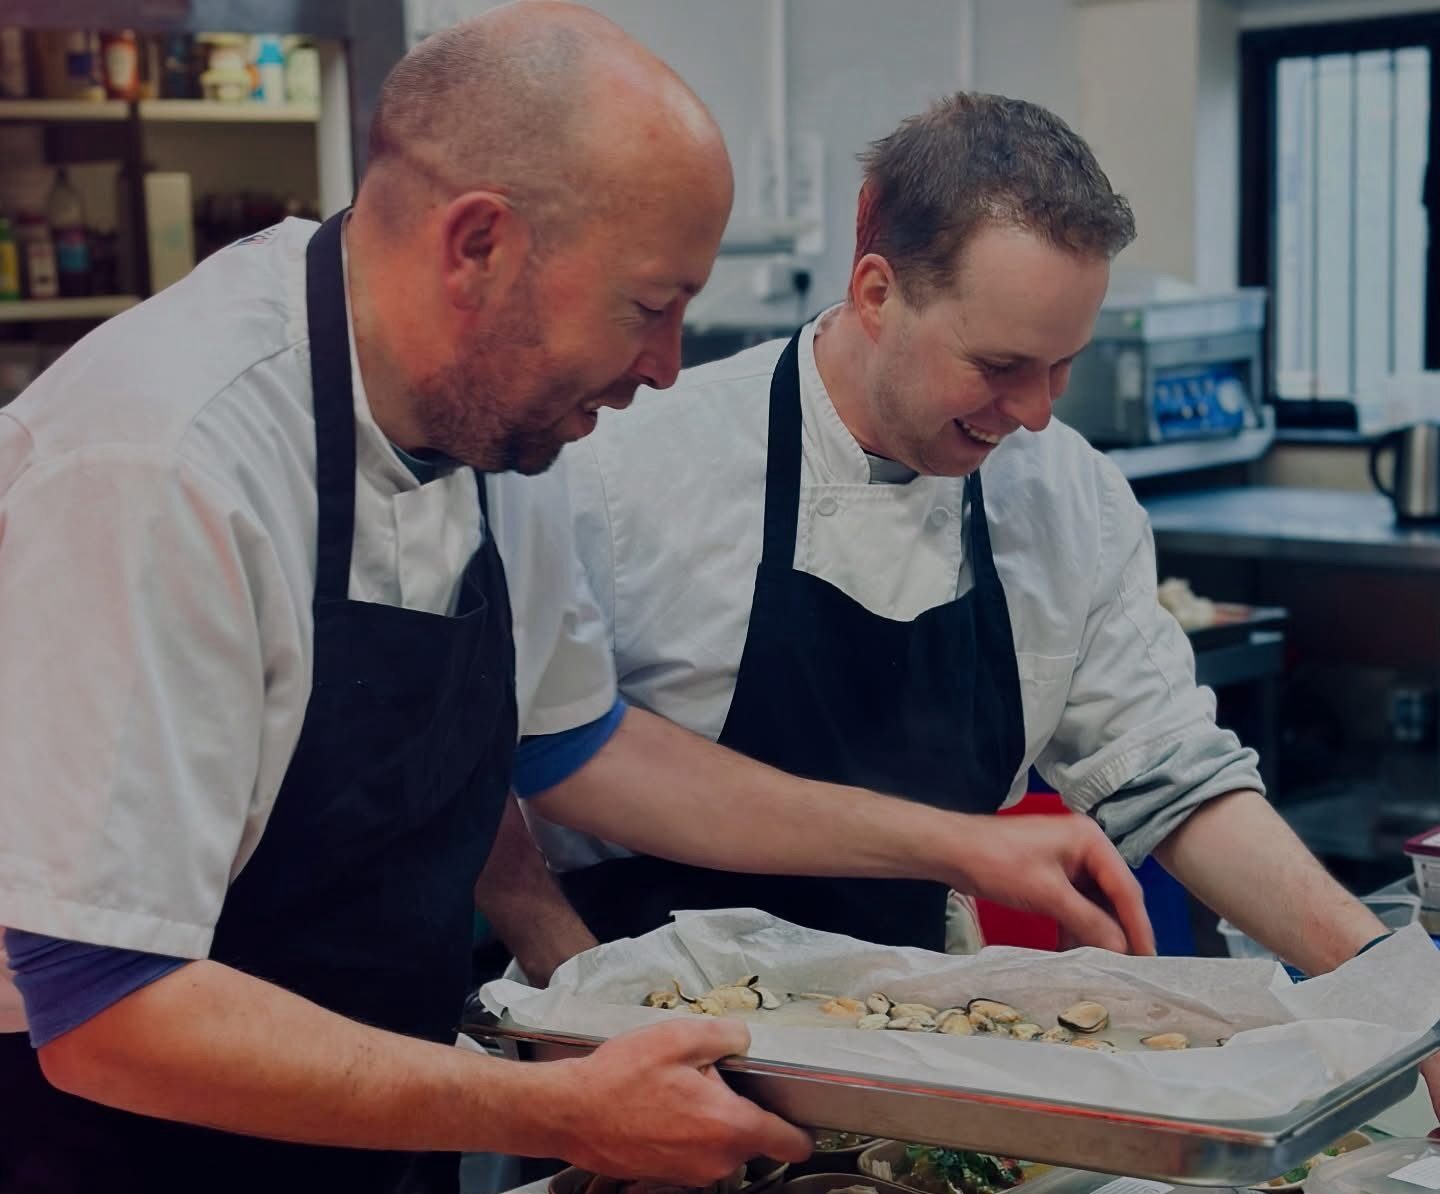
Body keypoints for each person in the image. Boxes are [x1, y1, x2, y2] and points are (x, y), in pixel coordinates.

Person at [0, 11, 1156, 1192]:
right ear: (479, 247)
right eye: (647, 307)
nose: (666, 366)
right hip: (112, 1140)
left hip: (361, 1119)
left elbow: (584, 753)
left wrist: (958, 847)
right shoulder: (162, 465)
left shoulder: (506, 433)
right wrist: (557, 1110)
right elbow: (104, 1009)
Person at [508, 91, 1437, 1105]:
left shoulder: (1066, 494)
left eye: (1063, 367)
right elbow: (500, 766)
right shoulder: (622, 468)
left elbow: (1169, 775)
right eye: (998, 366)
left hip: (918, 1053)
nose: (1035, 414)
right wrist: (576, 1001)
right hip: (640, 1051)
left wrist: (1395, 996)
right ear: (876, 290)